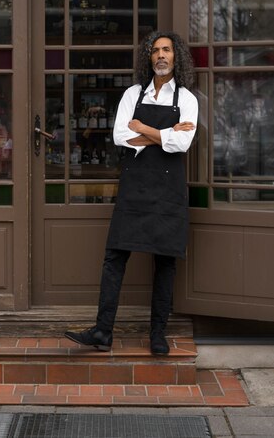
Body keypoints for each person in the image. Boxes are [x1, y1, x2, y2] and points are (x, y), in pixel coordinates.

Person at [65, 31, 198, 355]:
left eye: (166, 50)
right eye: (155, 51)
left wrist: (144, 129)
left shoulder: (187, 100)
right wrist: (164, 134)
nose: (161, 56)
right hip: (134, 187)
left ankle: (157, 336)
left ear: (176, 56)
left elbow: (183, 144)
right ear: (148, 58)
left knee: (165, 263)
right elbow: (120, 136)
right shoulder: (132, 94)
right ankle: (102, 331)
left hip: (167, 192)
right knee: (114, 257)